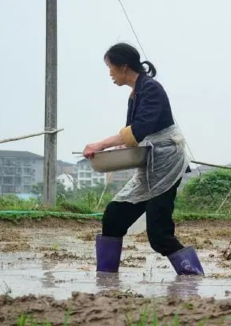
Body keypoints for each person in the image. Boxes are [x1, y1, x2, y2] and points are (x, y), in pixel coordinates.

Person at [83, 43, 204, 276]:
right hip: (150, 163)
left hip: (167, 163)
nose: (109, 73)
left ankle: (194, 279)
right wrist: (118, 145)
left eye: (110, 67)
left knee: (159, 235)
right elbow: (133, 135)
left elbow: (138, 129)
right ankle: (106, 279)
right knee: (114, 217)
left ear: (123, 66)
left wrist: (100, 144)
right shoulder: (135, 93)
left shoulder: (151, 89)